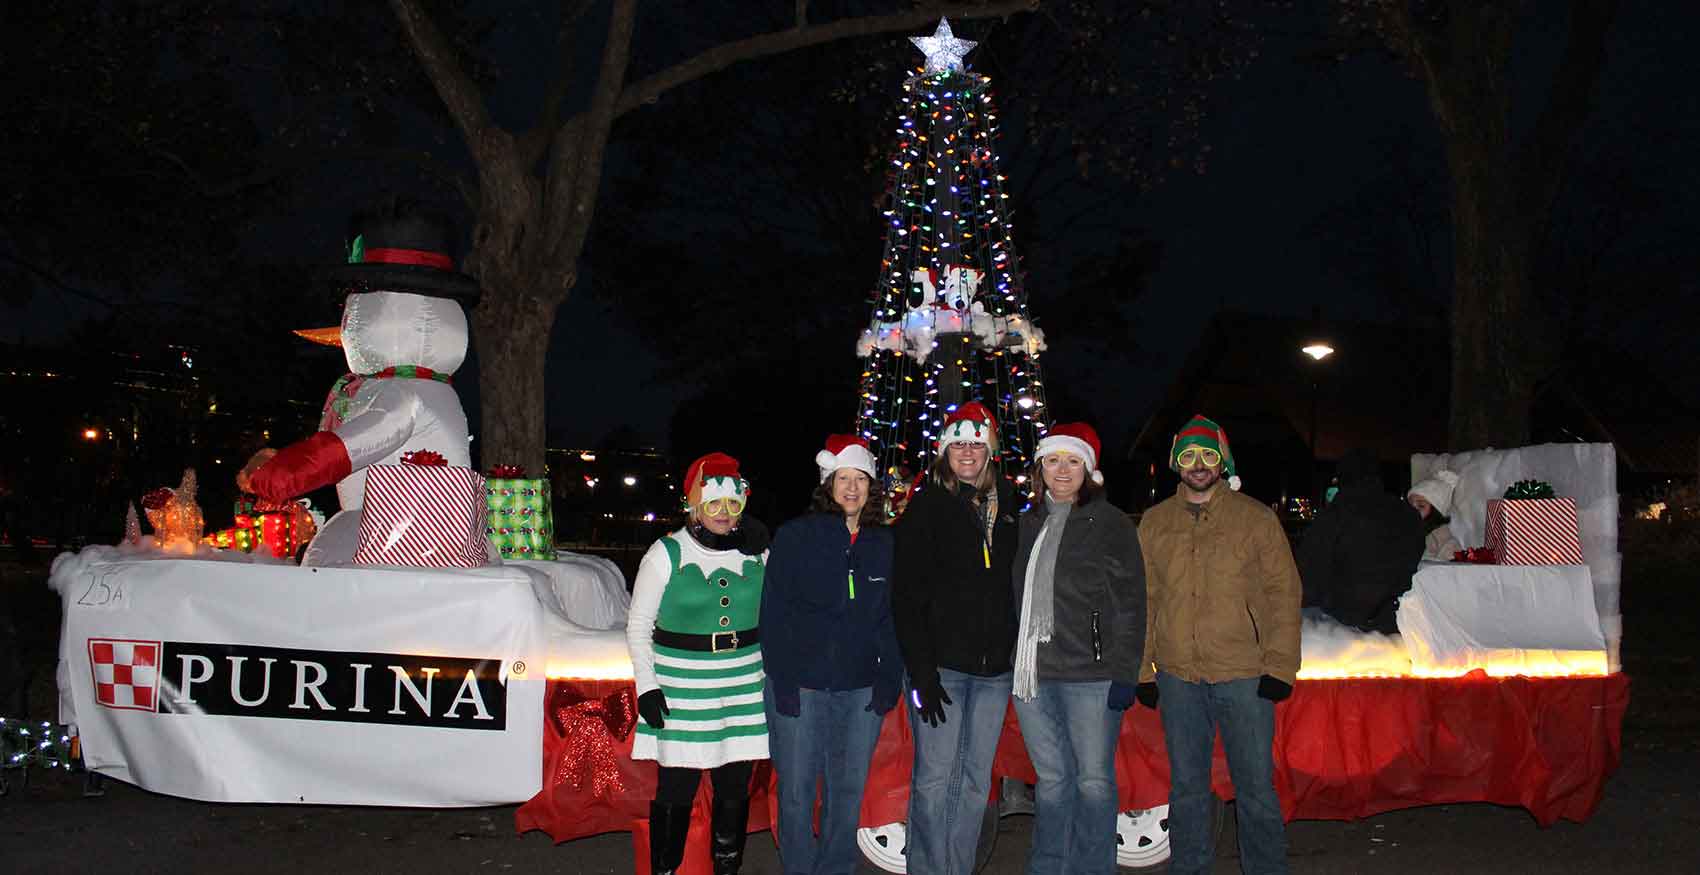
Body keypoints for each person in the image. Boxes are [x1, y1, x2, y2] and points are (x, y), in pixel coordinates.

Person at [1136, 414, 1301, 875]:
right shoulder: (1154, 523)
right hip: (1178, 676)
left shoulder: (1255, 518)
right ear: (1176, 462)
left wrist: (1279, 666)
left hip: (1243, 675)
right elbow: (1143, 598)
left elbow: (1282, 594)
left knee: (1255, 788)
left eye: (1208, 454)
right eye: (1188, 455)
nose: (1199, 464)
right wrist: (1142, 669)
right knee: (1187, 787)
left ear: (1222, 460)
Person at [760, 435, 903, 875]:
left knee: (847, 790)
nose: (853, 488)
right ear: (828, 483)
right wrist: (782, 681)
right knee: (798, 792)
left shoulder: (884, 543)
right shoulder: (796, 536)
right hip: (801, 688)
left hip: (860, 691)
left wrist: (888, 679)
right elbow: (774, 613)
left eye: (861, 479)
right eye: (844, 478)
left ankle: (837, 867)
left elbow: (893, 617)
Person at [626, 453, 771, 875]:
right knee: (676, 788)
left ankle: (727, 870)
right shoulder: (665, 553)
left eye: (732, 504)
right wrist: (647, 686)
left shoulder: (759, 553)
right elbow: (638, 626)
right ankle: (666, 871)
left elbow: (786, 609)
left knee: (733, 788)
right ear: (694, 505)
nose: (723, 514)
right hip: (682, 689)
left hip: (743, 686)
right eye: (713, 504)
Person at [1010, 423, 1145, 875]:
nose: (1062, 470)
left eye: (1072, 461)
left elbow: (1131, 600)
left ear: (1088, 469)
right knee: (1051, 782)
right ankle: (1049, 867)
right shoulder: (1028, 522)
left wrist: (1126, 670)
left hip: (1091, 674)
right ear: (1040, 468)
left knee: (1092, 782)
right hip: (1033, 674)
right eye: (1053, 460)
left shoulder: (1110, 522)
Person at [893, 401, 1019, 875]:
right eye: (958, 443)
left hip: (992, 674)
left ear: (990, 449)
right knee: (933, 777)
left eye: (976, 443)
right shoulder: (926, 506)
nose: (967, 452)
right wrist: (922, 670)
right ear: (945, 450)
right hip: (940, 668)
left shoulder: (1008, 505)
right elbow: (906, 597)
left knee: (972, 782)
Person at [1297, 448, 1426, 634]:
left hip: (1340, 621)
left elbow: (1309, 570)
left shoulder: (1336, 514)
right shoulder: (1407, 515)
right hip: (1394, 618)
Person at [1408, 469, 1463, 560]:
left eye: (1421, 506)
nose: (1413, 511)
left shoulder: (1447, 544)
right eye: (1410, 506)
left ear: (1437, 511)